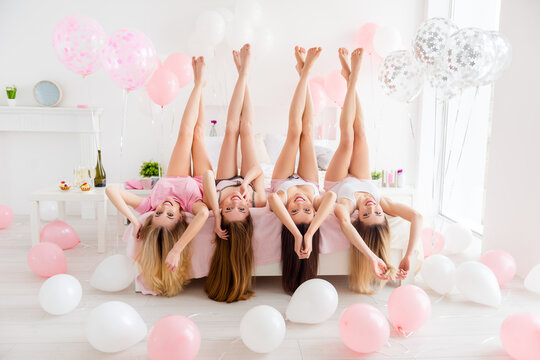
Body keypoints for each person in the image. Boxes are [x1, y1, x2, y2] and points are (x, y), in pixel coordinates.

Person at [106, 56, 212, 297]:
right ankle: (201, 86)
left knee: (185, 134)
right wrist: (176, 249)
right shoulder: (190, 208)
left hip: (176, 177)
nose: (164, 207)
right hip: (198, 183)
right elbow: (204, 213)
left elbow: (111, 190)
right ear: (180, 218)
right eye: (171, 214)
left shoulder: (151, 204)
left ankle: (198, 84)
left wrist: (136, 221)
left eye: (158, 214)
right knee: (198, 134)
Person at [325, 48, 423, 294]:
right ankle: (350, 80)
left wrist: (371, 257)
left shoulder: (347, 209)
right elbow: (417, 217)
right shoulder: (382, 201)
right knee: (361, 130)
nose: (371, 206)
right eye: (378, 211)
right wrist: (409, 254)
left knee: (347, 139)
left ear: (360, 218)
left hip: (336, 181)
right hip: (361, 177)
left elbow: (345, 224)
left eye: (367, 214)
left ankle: (353, 77)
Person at [268, 46, 337, 295]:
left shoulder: (283, 200)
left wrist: (297, 233)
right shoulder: (318, 200)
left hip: (282, 178)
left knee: (294, 132)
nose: (300, 204)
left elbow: (274, 198)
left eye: (295, 210)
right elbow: (331, 197)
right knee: (308, 130)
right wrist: (310, 232)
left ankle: (305, 71)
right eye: (306, 209)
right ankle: (303, 72)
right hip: (309, 179)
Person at [203, 44, 267, 302]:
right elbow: (259, 168)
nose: (236, 204)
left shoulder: (216, 204)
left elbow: (207, 176)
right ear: (249, 214)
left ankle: (242, 72)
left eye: (231, 210)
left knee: (232, 128)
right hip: (248, 178)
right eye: (241, 210)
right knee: (248, 129)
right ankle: (245, 72)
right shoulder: (257, 201)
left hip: (223, 179)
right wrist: (247, 183)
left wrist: (217, 213)